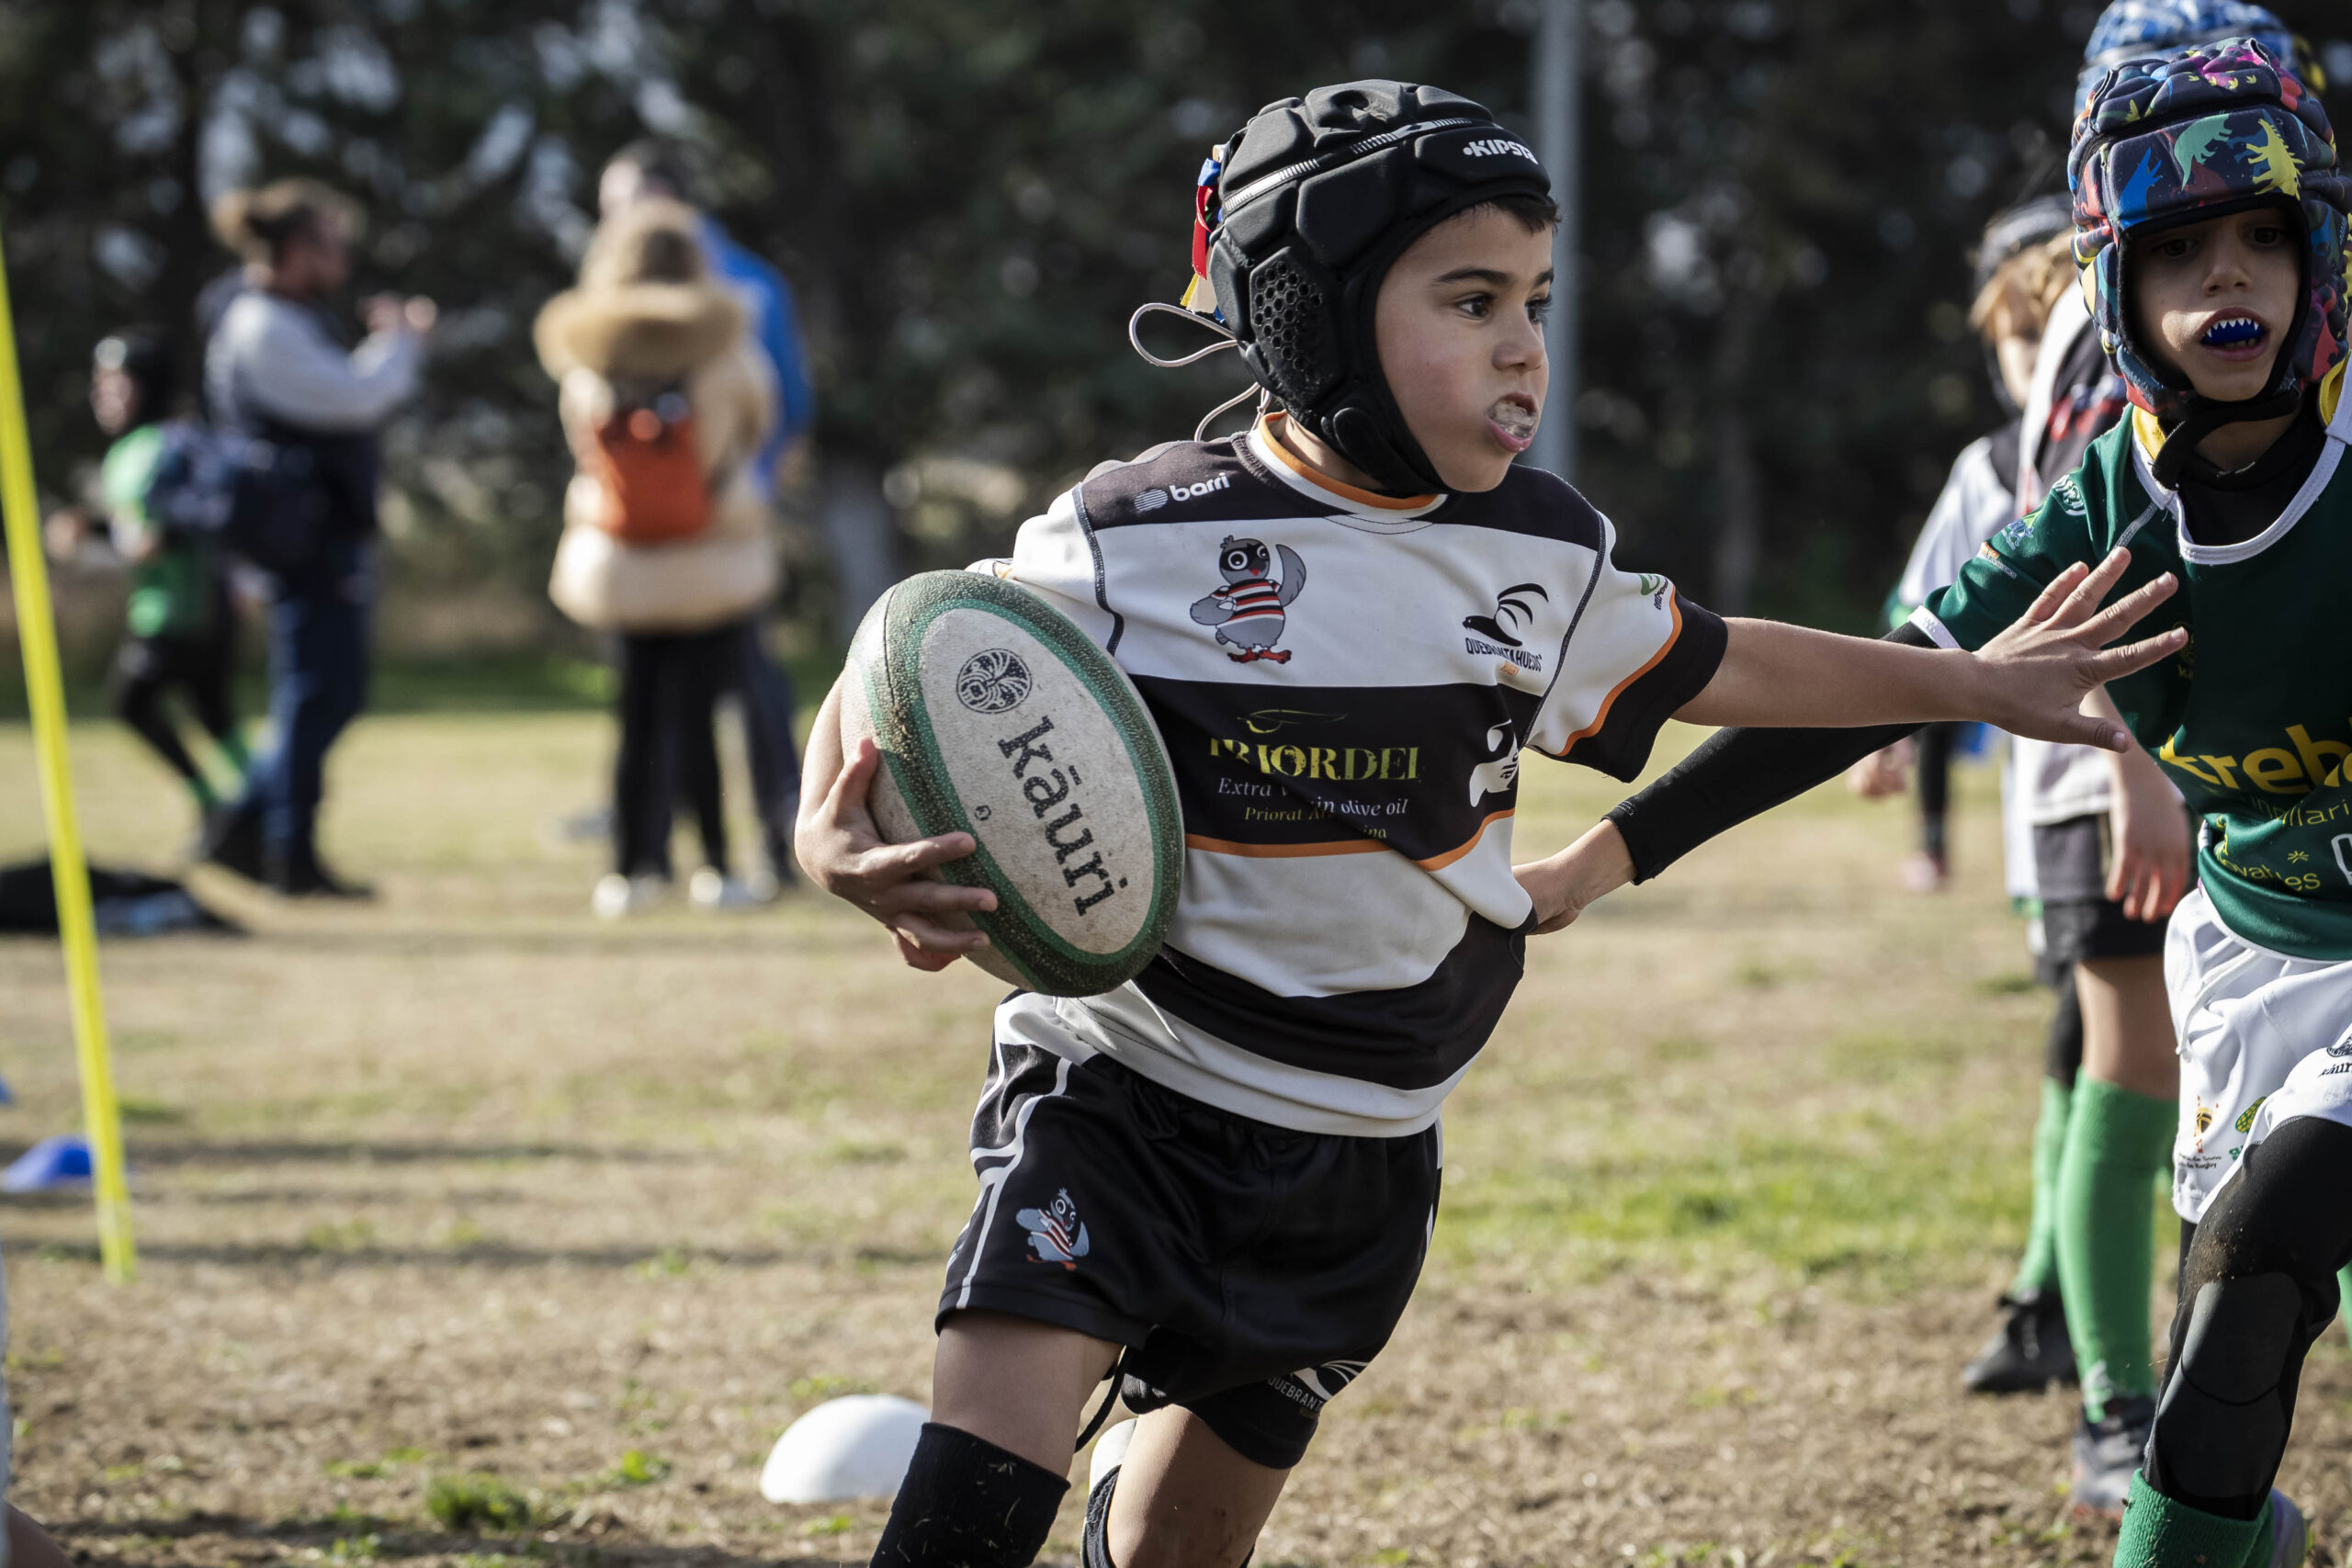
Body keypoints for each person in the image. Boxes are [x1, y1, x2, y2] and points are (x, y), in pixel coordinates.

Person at [791, 81, 2180, 1568]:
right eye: (1470, 300)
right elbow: (918, 654)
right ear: (1309, 317)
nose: (1525, 346)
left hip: (1359, 1150)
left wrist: (1975, 683)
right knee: (965, 1511)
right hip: (1115, 1100)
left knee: (1172, 1552)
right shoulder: (1141, 532)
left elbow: (1737, 662)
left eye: (1535, 298)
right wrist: (830, 831)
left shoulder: (1540, 555)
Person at [1543, 40, 2350, 1568]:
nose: (2225, 276)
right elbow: (1870, 685)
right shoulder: (2103, 507)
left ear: (2324, 252)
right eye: (2179, 248)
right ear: (2116, 286)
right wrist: (1607, 848)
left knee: (2271, 1244)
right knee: (2231, 1350)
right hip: (2269, 958)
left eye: (2262, 232)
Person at [536, 198, 781, 918]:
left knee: (635, 717)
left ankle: (630, 869)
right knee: (703, 718)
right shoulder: (728, 353)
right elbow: (755, 428)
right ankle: (716, 866)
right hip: (710, 560)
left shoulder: (590, 360)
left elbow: (582, 447)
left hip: (623, 563)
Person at [197, 179, 431, 898]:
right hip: (302, 542)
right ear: (297, 250)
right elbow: (355, 397)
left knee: (328, 692)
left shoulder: (281, 317)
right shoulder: (264, 326)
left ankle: (248, 829)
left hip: (314, 535)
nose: (343, 259)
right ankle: (282, 852)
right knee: (312, 693)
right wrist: (402, 343)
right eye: (331, 244)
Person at [599, 141, 813, 892]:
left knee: (702, 699)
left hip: (660, 542)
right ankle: (705, 857)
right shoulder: (723, 329)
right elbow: (772, 408)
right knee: (686, 704)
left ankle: (657, 861)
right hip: (701, 539)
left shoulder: (741, 291)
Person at [41, 332, 250, 829]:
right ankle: (258, 805)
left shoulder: (177, 442)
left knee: (133, 702)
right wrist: (88, 528)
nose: (102, 395)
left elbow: (208, 507)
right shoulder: (124, 453)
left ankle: (223, 807)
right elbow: (131, 530)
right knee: (214, 716)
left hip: (191, 608)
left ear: (150, 386)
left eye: (116, 383)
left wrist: (170, 536)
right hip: (158, 605)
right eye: (99, 384)